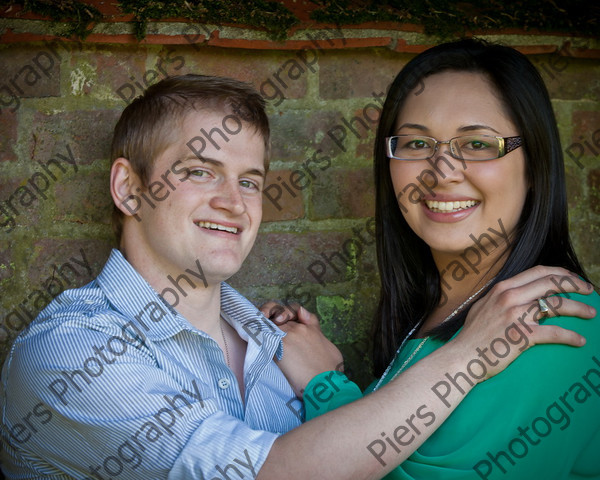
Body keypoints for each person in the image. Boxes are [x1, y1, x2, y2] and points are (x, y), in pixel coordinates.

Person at [0, 73, 594, 480]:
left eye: (250, 180)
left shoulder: (269, 341)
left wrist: (325, 383)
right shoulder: (73, 355)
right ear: (129, 188)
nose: (234, 202)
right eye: (202, 171)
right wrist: (468, 354)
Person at [285, 39, 600, 479]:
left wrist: (324, 387)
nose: (441, 169)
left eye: (477, 143)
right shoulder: (430, 315)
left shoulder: (555, 319)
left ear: (535, 166)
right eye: (416, 143)